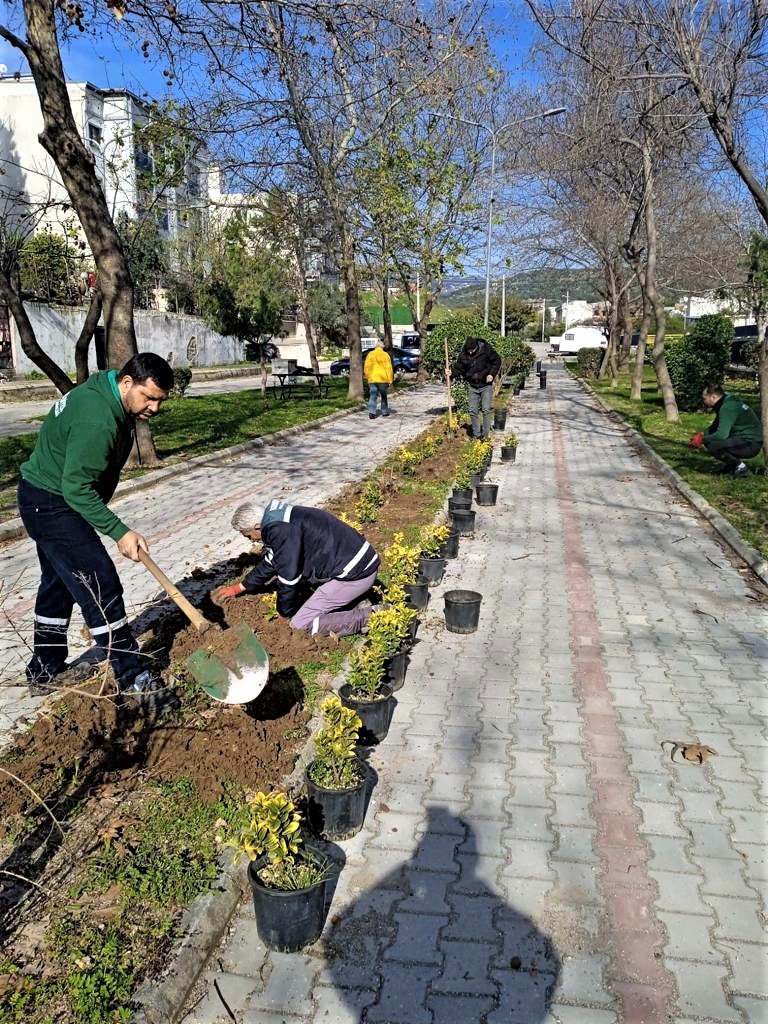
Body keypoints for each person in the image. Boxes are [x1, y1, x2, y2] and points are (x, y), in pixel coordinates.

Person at [17, 352, 177, 709]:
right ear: (127, 382)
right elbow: (76, 488)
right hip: (53, 503)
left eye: (159, 401)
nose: (154, 408)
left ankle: (43, 670)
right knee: (99, 583)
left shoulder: (111, 397)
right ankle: (132, 676)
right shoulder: (98, 417)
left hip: (48, 498)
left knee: (58, 586)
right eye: (149, 398)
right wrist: (119, 531)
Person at [211, 500, 380, 636]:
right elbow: (272, 561)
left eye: (249, 536)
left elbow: (289, 578)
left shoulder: (280, 530)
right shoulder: (278, 519)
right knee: (309, 588)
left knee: (300, 625)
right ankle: (357, 603)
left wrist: (284, 613)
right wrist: (238, 588)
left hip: (356, 575)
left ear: (256, 527)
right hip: (360, 562)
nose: (252, 541)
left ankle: (371, 617)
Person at [691, 383, 763, 476]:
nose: (704, 401)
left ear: (713, 397)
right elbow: (715, 426)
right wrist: (702, 434)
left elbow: (721, 435)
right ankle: (731, 467)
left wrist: (702, 440)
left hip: (750, 444)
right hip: (745, 440)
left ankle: (740, 467)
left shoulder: (727, 408)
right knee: (713, 442)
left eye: (704, 398)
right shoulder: (726, 402)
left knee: (713, 446)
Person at [452, 335, 501, 439]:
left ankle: (485, 436)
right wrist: (451, 373)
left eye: (472, 350)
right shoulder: (463, 355)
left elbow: (497, 361)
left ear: (476, 347)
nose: (470, 352)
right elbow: (459, 368)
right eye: (468, 350)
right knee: (472, 410)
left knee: (486, 409)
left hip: (485, 385)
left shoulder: (486, 350)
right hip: (473, 386)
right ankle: (477, 435)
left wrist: (491, 374)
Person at [364, 340, 394, 419]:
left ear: (375, 346)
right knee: (383, 396)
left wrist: (368, 376)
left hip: (372, 379)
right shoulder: (385, 355)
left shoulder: (370, 354)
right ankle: (384, 411)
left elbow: (366, 367)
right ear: (382, 347)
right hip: (383, 379)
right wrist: (390, 380)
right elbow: (389, 369)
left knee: (373, 396)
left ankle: (371, 412)